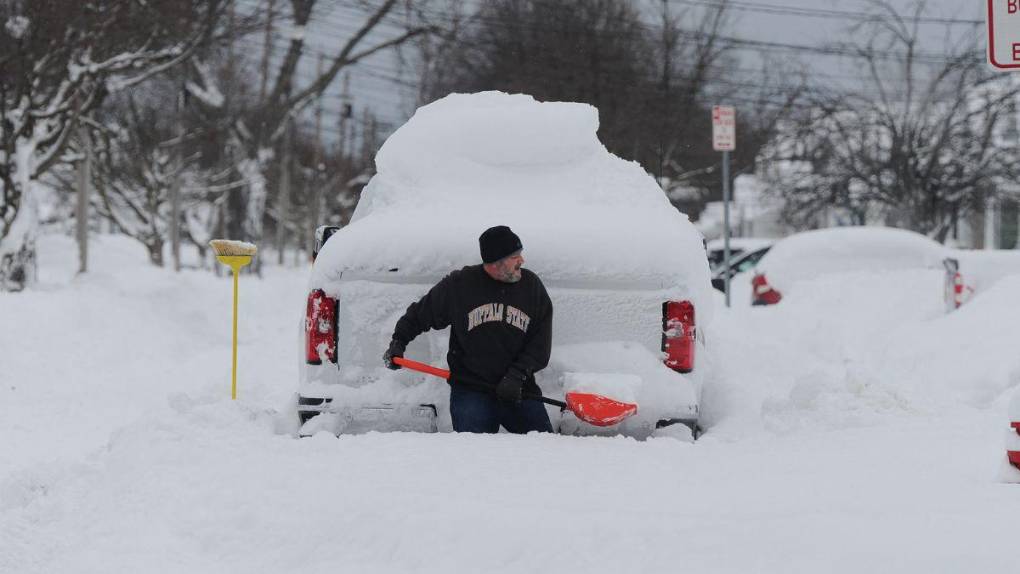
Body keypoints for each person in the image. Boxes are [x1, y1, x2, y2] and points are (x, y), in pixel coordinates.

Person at [383, 225, 554, 434]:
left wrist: (517, 376)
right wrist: (398, 342)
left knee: (543, 444)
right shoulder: (460, 285)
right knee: (473, 449)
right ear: (496, 262)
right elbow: (420, 314)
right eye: (515, 256)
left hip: (518, 387)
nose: (522, 260)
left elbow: (540, 344)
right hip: (471, 388)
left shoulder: (531, 287)